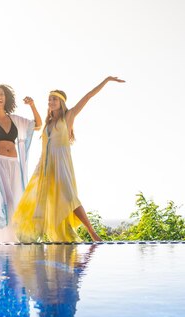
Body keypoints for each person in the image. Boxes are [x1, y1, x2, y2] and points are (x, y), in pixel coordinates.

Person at [13, 76, 125, 242]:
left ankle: (92, 233)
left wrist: (106, 80)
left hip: (62, 163)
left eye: (55, 99)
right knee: (39, 197)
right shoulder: (48, 123)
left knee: (70, 197)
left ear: (61, 102)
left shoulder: (69, 116)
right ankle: (36, 234)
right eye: (50, 99)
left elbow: (88, 97)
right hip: (44, 164)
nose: (51, 101)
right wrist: (32, 105)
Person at [0, 83, 42, 242]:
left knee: (17, 201)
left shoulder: (15, 119)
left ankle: (18, 239)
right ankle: (2, 241)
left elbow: (38, 125)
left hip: (14, 164)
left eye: (1, 94)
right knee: (4, 201)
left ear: (6, 98)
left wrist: (32, 105)